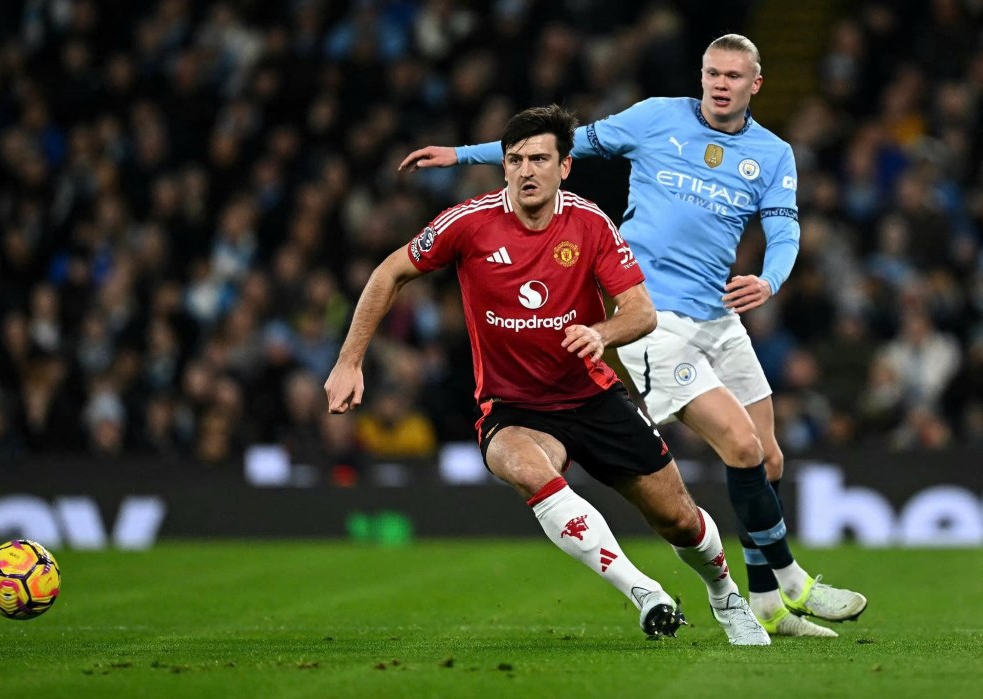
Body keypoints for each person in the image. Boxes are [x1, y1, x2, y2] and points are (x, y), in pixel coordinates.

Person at [398, 34, 867, 638]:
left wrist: (770, 280)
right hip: (649, 318)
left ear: (756, 84)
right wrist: (462, 154)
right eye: (712, 73)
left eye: (733, 76)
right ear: (701, 76)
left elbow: (785, 231)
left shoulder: (773, 154)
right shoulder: (654, 118)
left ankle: (768, 604)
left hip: (719, 315)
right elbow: (559, 147)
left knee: (768, 458)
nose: (720, 84)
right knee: (741, 446)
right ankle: (792, 579)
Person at [328, 104, 769, 645]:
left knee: (679, 520)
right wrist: (350, 361)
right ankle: (644, 592)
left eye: (540, 158)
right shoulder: (468, 223)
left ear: (564, 167)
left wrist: (602, 334)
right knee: (522, 464)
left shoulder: (589, 223)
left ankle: (725, 595)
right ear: (504, 167)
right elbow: (389, 271)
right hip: (513, 408)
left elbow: (641, 311)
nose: (526, 170)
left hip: (592, 398)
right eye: (515, 160)